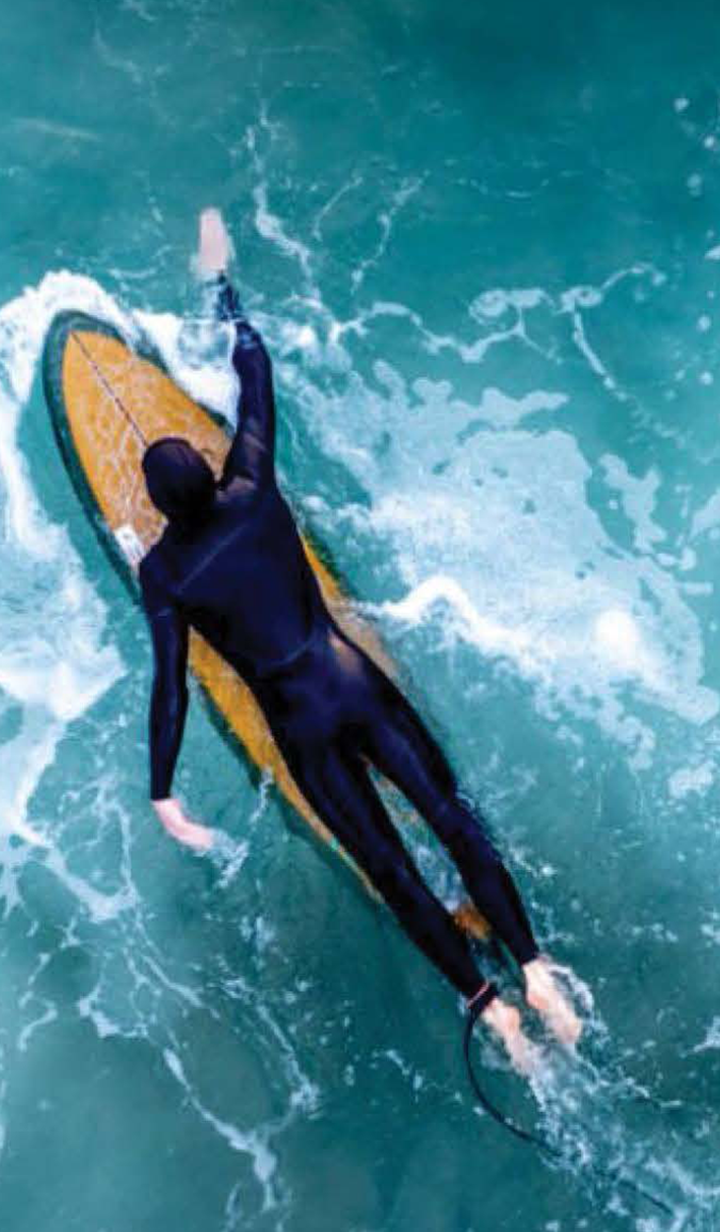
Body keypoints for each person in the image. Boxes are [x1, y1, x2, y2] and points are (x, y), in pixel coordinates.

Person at [141, 211, 580, 1068]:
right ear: (210, 464)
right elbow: (253, 367)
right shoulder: (253, 485)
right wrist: (217, 282)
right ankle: (536, 972)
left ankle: (490, 1009)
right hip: (350, 680)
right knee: (450, 818)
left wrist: (163, 790)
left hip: (300, 729)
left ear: (160, 510)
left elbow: (171, 686)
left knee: (393, 871)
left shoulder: (164, 576)